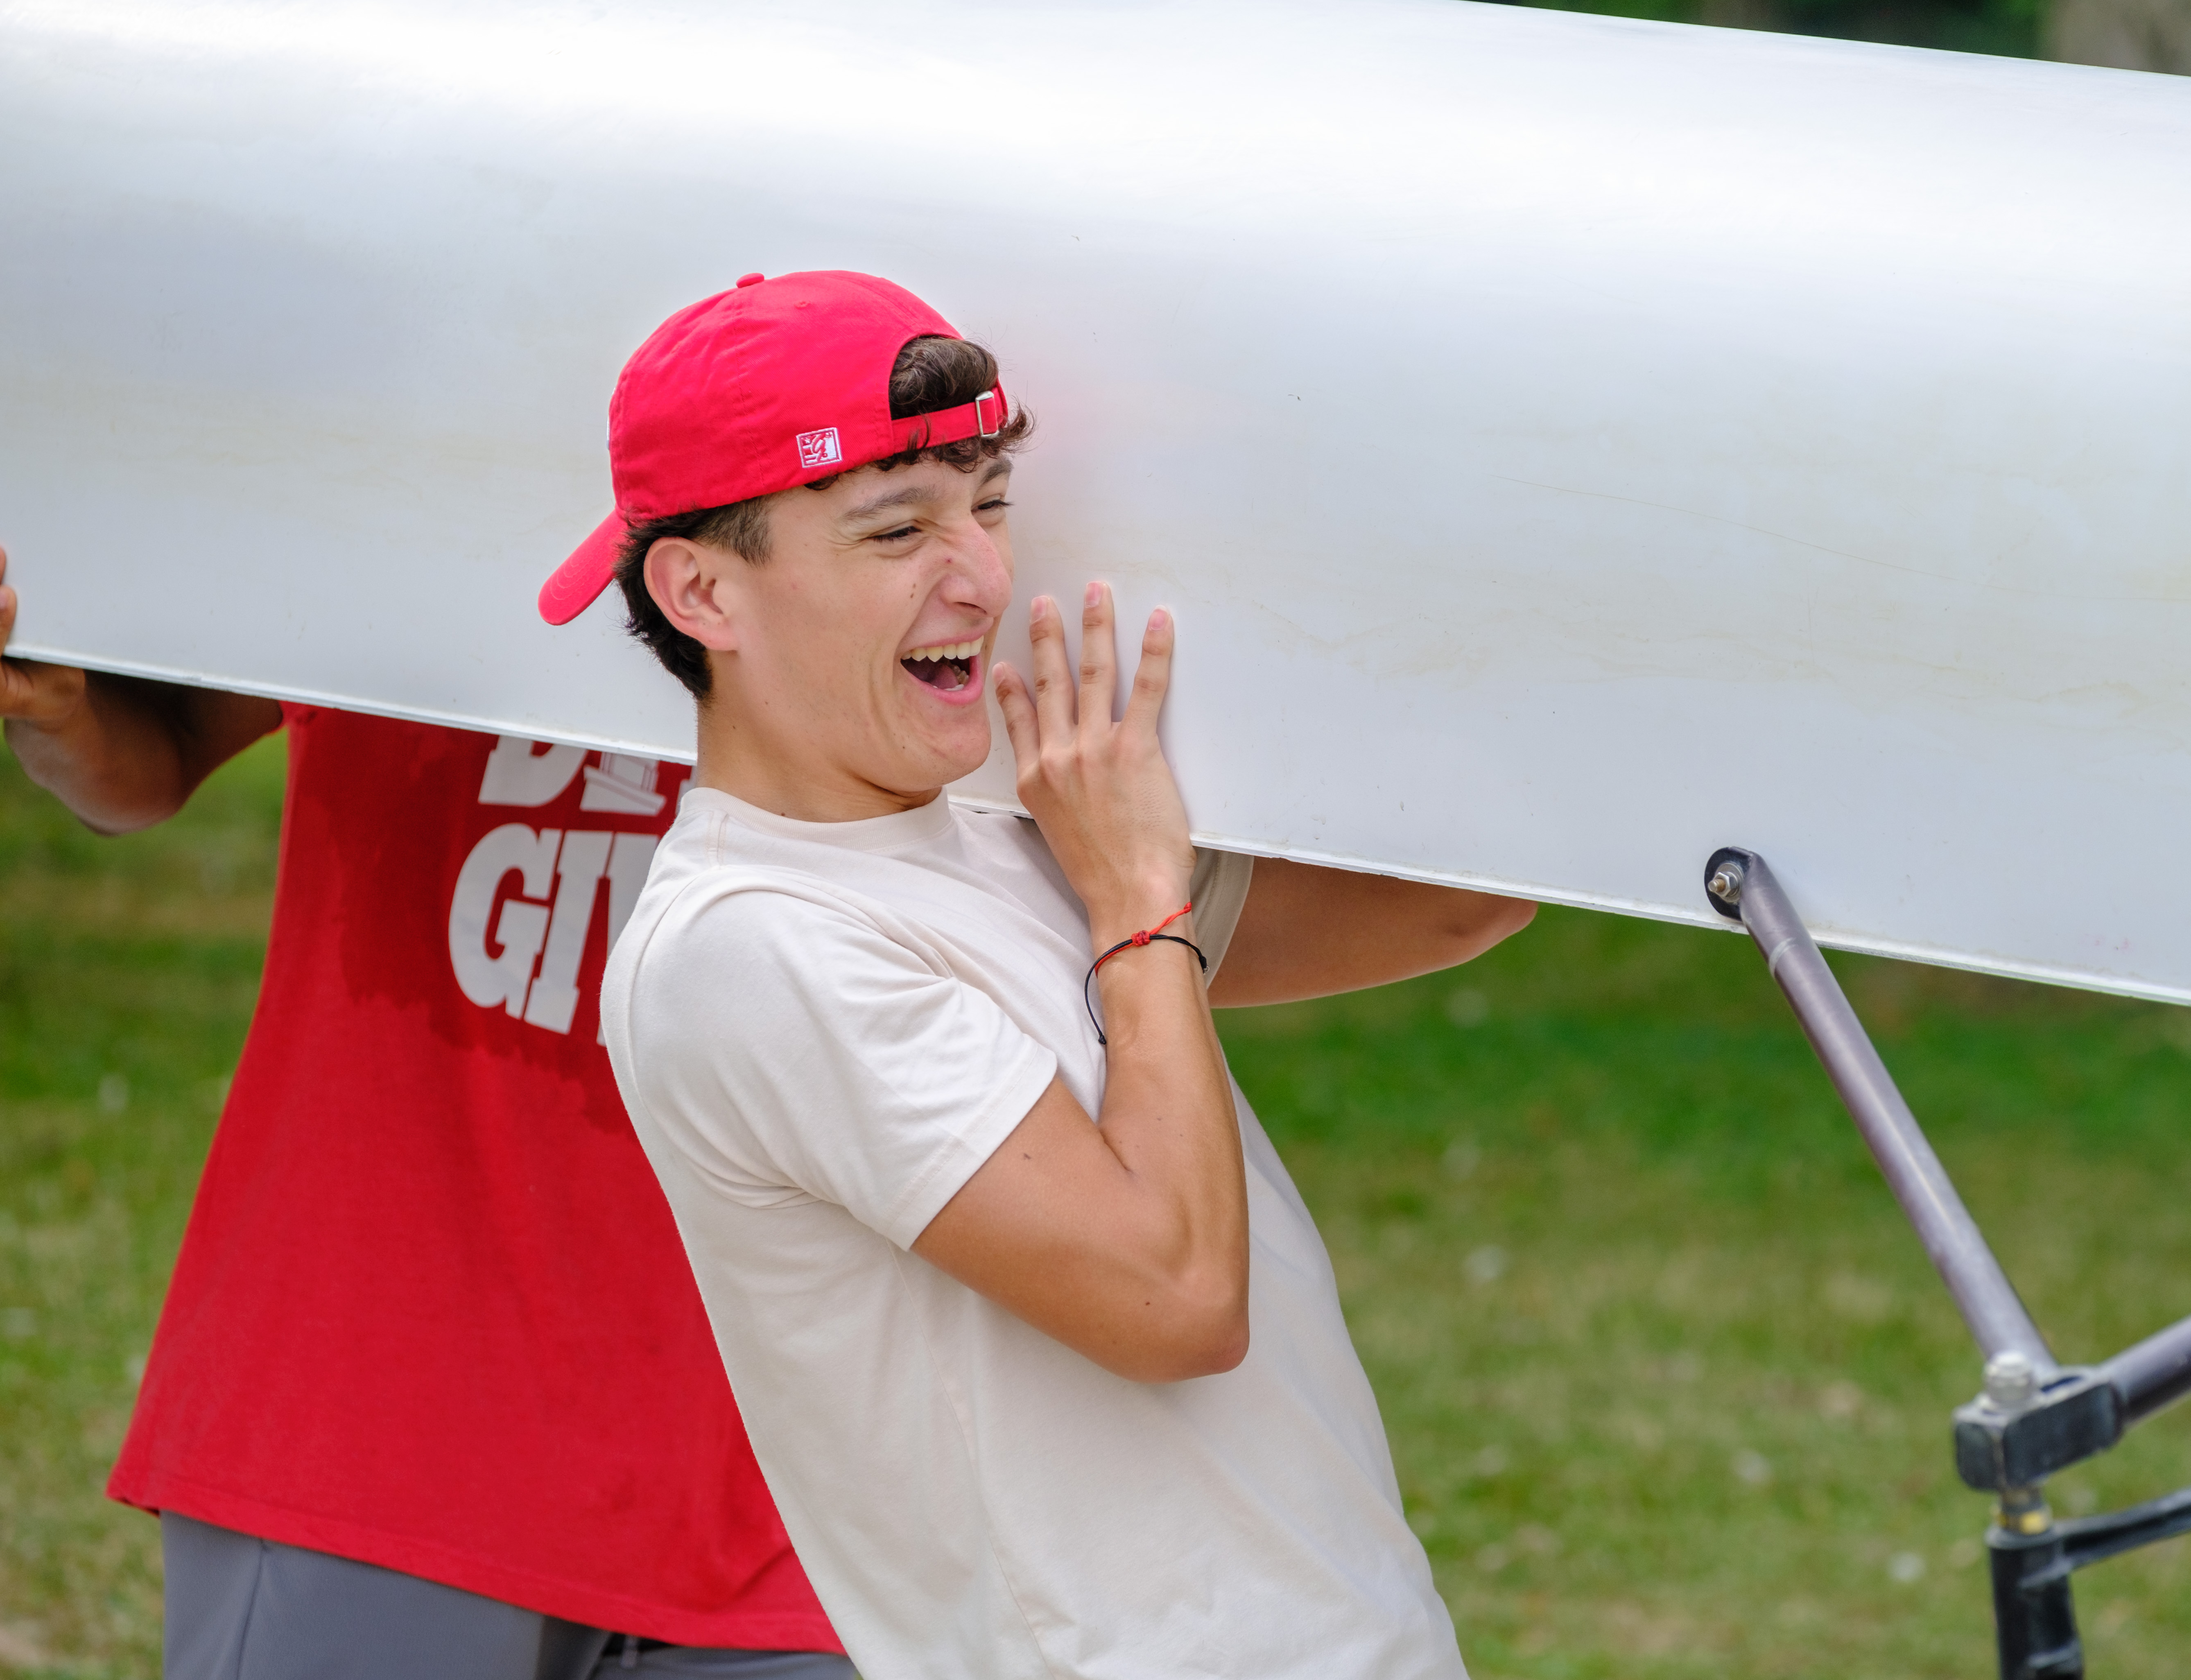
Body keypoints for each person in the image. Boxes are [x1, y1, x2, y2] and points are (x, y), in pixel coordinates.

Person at [540, 269, 1533, 1678]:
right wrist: (1138, 902)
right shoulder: (747, 948)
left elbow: (1455, 908)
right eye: (899, 531)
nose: (987, 578)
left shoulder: (1003, 832)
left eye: (990, 504)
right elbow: (1173, 1299)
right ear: (703, 590)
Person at [0, 556, 854, 1678]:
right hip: (383, 1406)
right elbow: (156, 752)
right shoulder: (404, 435)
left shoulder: (973, 477)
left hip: (814, 1460)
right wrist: (55, 705)